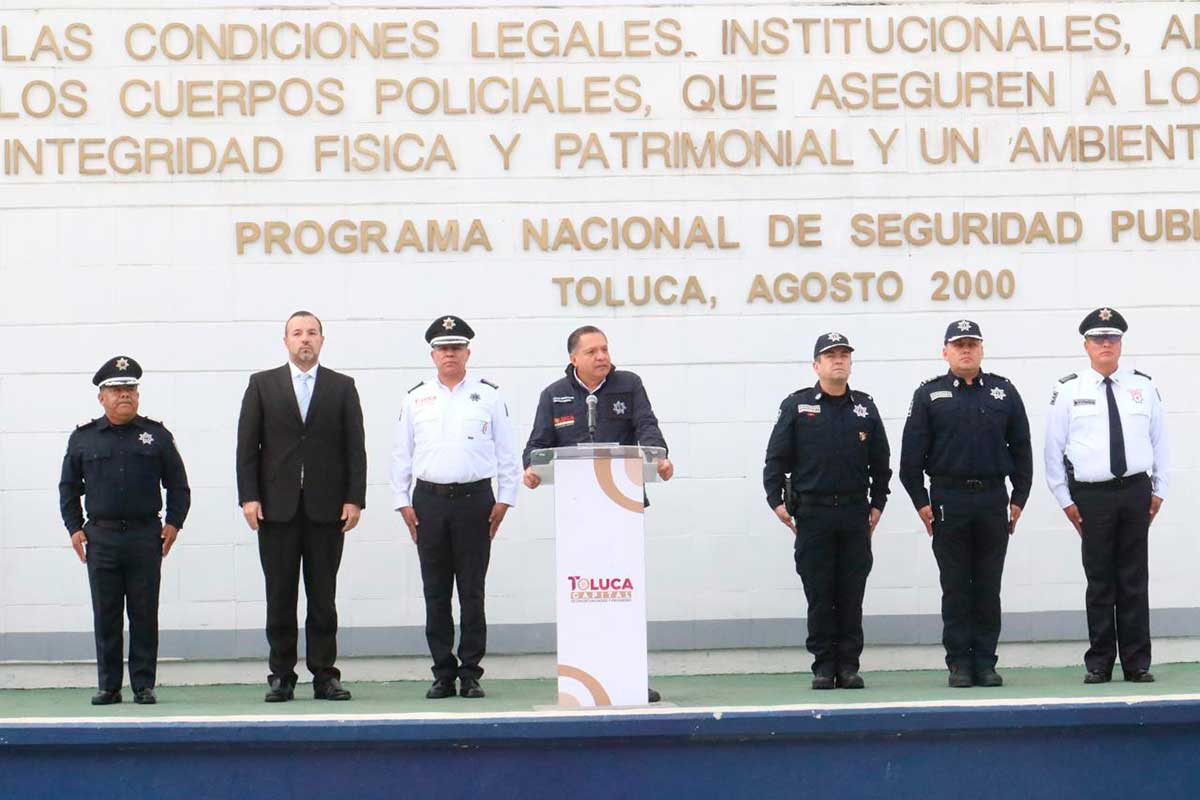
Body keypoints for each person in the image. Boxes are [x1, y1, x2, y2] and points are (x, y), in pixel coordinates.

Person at [522, 324, 673, 702]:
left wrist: (660, 457)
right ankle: (583, 677)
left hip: (621, 507)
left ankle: (628, 678)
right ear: (574, 358)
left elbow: (647, 427)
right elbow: (537, 445)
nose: (602, 356)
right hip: (577, 513)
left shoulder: (629, 384)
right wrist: (530, 469)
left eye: (604, 349)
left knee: (622, 593)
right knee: (584, 594)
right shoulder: (554, 395)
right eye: (592, 351)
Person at [236, 310, 366, 702]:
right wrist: (249, 497)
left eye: (312, 333)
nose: (304, 339)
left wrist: (354, 499)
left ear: (322, 340)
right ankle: (281, 675)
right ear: (286, 341)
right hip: (276, 509)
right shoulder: (262, 385)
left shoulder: (342, 387)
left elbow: (354, 448)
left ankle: (325, 675)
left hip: (327, 509)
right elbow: (248, 446)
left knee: (323, 597)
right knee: (280, 595)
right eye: (297, 333)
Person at [391, 315, 520, 699]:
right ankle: (443, 673)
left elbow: (507, 451)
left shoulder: (488, 395)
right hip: (428, 502)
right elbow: (402, 454)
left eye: (456, 348)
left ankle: (470, 673)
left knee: (472, 591)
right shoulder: (415, 398)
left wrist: (505, 499)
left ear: (468, 352)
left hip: (474, 501)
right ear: (433, 355)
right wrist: (402, 501)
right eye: (443, 348)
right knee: (435, 591)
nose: (450, 354)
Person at [900, 320, 1032, 688]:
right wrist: (921, 502)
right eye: (959, 345)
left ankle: (986, 663)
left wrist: (1019, 497)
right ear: (945, 352)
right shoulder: (929, 395)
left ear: (982, 349)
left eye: (972, 344)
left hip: (992, 498)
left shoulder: (1004, 392)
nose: (966, 350)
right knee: (956, 586)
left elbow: (1022, 448)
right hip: (949, 499)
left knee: (988, 586)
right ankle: (959, 663)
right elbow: (910, 459)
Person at [1043, 307, 1168, 684]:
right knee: (1099, 581)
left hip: (1134, 491)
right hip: (1091, 496)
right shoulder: (1069, 390)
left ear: (1121, 343)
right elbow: (1053, 449)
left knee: (1134, 580)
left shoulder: (1143, 387)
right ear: (1086, 345)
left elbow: (1160, 442)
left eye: (1112, 338)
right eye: (1098, 338)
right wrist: (1065, 499)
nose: (1106, 344)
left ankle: (1137, 662)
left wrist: (1159, 490)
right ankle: (1099, 662)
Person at [59, 356, 191, 705]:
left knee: (144, 612)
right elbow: (68, 487)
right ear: (101, 397)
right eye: (117, 390)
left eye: (130, 389)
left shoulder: (157, 436)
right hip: (101, 537)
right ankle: (109, 686)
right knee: (106, 614)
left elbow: (178, 485)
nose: (125, 395)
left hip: (144, 536)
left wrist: (174, 522)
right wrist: (74, 528)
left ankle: (143, 685)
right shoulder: (84, 439)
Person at [762, 333, 891, 690]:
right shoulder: (798, 406)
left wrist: (878, 503)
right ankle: (823, 666)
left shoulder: (865, 407)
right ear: (816, 365)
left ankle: (848, 666)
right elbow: (776, 459)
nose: (838, 360)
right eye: (830, 355)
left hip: (854, 514)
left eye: (844, 355)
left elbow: (881, 463)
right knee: (819, 594)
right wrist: (776, 501)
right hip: (813, 515)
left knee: (851, 593)